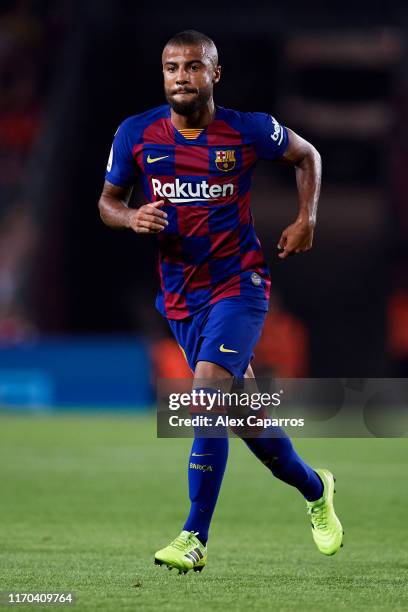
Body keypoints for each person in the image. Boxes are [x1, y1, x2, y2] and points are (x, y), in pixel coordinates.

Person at [98, 29, 343, 574]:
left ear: (215, 74)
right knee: (247, 420)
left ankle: (193, 536)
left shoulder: (248, 130)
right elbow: (108, 203)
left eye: (192, 66)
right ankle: (315, 488)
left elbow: (308, 156)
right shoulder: (136, 134)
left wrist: (308, 218)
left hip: (240, 286)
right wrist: (132, 217)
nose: (180, 76)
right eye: (170, 67)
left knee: (207, 392)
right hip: (181, 298)